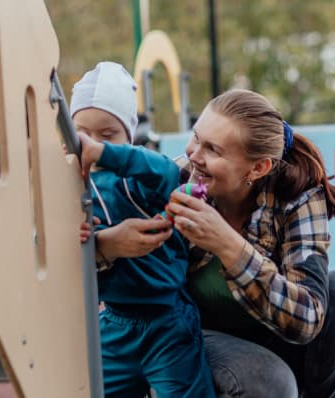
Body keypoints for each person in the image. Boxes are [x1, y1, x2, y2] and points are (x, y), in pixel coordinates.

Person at [91, 89, 335, 397]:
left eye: (213, 149)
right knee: (269, 380)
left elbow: (306, 321)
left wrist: (227, 244)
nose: (193, 155)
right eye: (196, 137)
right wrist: (106, 245)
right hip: (197, 336)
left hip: (274, 331)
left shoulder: (299, 197)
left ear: (258, 168)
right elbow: (99, 263)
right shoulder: (172, 180)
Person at [71, 61, 215, 398]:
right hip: (114, 320)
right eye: (83, 134)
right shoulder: (72, 183)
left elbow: (165, 171)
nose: (92, 145)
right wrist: (87, 238)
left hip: (165, 320)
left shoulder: (138, 174)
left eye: (108, 135)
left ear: (129, 137)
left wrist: (107, 152)